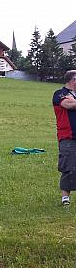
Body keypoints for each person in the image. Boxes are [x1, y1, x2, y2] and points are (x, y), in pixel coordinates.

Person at [52, 70, 76, 206]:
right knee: (69, 166)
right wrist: (72, 102)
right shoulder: (59, 93)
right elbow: (68, 105)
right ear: (73, 80)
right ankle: (65, 199)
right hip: (68, 136)